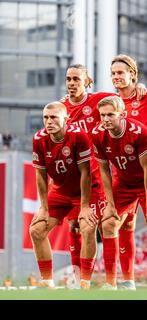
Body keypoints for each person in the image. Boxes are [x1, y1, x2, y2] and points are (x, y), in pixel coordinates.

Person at [61, 64, 147, 286]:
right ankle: (79, 280)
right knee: (75, 226)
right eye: (68, 79)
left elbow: (123, 98)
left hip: (102, 175)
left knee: (119, 223)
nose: (71, 83)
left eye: (76, 79)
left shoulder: (100, 99)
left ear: (86, 81)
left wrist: (140, 88)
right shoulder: (60, 108)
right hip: (74, 178)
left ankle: (123, 280)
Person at [110, 54, 147, 288]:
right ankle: (127, 281)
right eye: (113, 73)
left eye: (121, 73)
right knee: (120, 224)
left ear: (133, 75)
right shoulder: (110, 104)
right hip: (122, 176)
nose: (116, 77)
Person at [91, 96, 147, 290]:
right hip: (123, 183)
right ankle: (113, 283)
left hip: (145, 182)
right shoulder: (98, 134)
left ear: (123, 115)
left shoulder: (138, 131)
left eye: (111, 114)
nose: (106, 119)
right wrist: (110, 204)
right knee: (109, 223)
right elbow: (104, 170)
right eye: (103, 115)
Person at [30, 102, 97, 288]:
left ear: (66, 119)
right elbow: (40, 175)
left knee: (88, 228)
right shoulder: (38, 139)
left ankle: (84, 282)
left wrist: (84, 206)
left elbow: (86, 173)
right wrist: (43, 208)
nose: (48, 121)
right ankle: (47, 282)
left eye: (53, 117)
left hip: (86, 192)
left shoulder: (78, 136)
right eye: (45, 117)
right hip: (60, 192)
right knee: (36, 231)